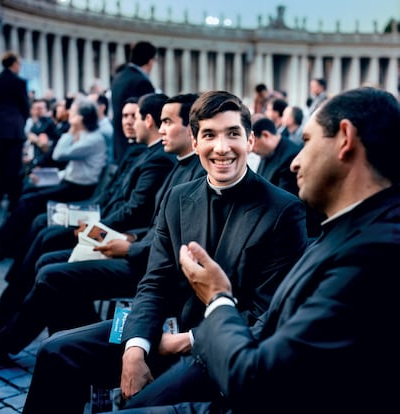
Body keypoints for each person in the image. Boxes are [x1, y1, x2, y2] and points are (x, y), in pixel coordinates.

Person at [115, 86, 400, 414]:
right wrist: (137, 346)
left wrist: (218, 298)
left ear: (345, 139)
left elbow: (259, 374)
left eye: (306, 141)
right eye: (209, 135)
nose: (294, 162)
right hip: (207, 340)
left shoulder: (374, 251)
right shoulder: (348, 231)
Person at [21, 90, 308, 414]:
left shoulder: (285, 210)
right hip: (163, 327)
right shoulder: (178, 197)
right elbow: (154, 282)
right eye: (210, 135)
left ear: (251, 140)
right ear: (195, 141)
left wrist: (189, 340)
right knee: (56, 351)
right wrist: (135, 347)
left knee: (138, 406)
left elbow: (268, 313)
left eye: (233, 134)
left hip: (220, 348)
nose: (222, 147)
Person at [0, 93, 206, 363]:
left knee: (53, 272)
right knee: (50, 261)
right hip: (136, 248)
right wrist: (128, 237)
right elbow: (153, 223)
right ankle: (65, 340)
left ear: (190, 127)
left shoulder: (175, 164)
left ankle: (34, 343)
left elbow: (167, 233)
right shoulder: (175, 162)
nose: (160, 129)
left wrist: (129, 245)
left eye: (167, 122)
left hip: (146, 266)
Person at [0, 97, 107, 263]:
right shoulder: (86, 135)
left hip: (79, 189)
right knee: (28, 193)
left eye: (73, 111)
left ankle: (4, 246)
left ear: (81, 117)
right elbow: (71, 168)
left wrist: (71, 131)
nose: (69, 113)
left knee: (29, 201)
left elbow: (59, 154)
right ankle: (7, 241)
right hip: (69, 182)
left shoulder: (93, 139)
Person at [0, 51, 30, 210]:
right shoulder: (19, 83)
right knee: (13, 167)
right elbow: (25, 107)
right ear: (14, 64)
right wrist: (21, 123)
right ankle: (13, 201)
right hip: (14, 131)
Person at [111, 41, 156, 163]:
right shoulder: (141, 82)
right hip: (137, 147)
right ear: (150, 61)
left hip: (120, 143)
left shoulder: (119, 77)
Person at [252, 117, 300, 195]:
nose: (251, 149)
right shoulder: (266, 152)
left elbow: (283, 199)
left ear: (265, 135)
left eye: (253, 142)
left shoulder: (290, 157)